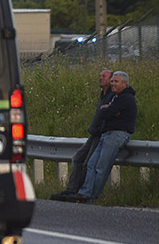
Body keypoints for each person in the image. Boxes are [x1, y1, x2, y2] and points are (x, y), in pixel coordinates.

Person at [65, 71, 137, 203]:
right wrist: (108, 110)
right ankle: (84, 193)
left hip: (116, 134)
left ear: (124, 84)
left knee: (101, 167)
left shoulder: (125, 98)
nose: (113, 84)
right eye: (113, 81)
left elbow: (106, 113)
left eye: (116, 82)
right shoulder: (115, 97)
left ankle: (92, 196)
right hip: (106, 134)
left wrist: (108, 109)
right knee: (91, 164)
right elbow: (105, 113)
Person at [50, 69, 114, 201]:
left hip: (100, 134)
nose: (100, 78)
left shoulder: (112, 97)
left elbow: (110, 116)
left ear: (111, 80)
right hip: (93, 134)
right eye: (100, 75)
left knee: (87, 163)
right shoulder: (103, 95)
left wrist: (100, 129)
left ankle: (81, 192)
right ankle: (71, 190)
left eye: (104, 76)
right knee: (78, 158)